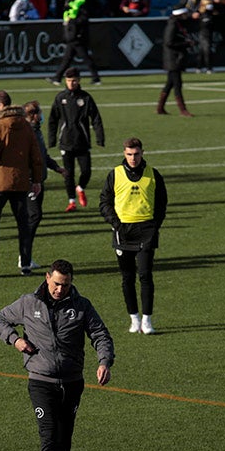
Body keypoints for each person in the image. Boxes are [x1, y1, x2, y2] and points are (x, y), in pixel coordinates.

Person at [0, 258, 114, 451]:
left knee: (64, 439)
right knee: (49, 436)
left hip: (72, 383)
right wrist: (15, 341)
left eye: (66, 285)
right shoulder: (28, 303)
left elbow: (101, 334)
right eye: (57, 284)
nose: (61, 289)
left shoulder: (81, 306)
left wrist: (104, 362)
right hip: (41, 382)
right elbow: (0, 319)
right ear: (47, 278)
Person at [99, 137, 168, 334]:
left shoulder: (153, 174)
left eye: (136, 154)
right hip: (123, 232)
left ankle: (147, 320)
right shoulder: (115, 174)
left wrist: (155, 225)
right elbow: (104, 202)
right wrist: (115, 223)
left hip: (146, 230)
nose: (133, 158)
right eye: (129, 154)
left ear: (142, 153)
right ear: (124, 154)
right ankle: (134, 318)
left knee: (145, 275)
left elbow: (162, 203)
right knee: (127, 277)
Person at [0, 90, 44, 277]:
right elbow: (35, 155)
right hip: (21, 180)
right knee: (23, 223)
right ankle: (25, 263)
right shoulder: (25, 125)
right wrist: (37, 179)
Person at [47, 68, 105, 213]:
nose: (71, 83)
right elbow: (52, 119)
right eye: (68, 80)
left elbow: (96, 118)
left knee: (86, 171)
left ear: (79, 80)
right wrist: (52, 139)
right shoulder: (60, 98)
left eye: (74, 80)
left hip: (82, 142)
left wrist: (100, 138)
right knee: (68, 173)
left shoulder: (86, 98)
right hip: (65, 143)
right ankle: (71, 201)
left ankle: (80, 188)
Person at [23, 100, 65, 271]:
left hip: (39, 181)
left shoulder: (36, 132)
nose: (41, 116)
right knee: (33, 217)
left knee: (34, 217)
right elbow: (28, 160)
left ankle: (26, 255)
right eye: (39, 113)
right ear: (33, 115)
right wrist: (33, 181)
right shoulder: (27, 134)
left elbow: (43, 156)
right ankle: (24, 256)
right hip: (31, 183)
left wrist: (57, 168)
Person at [47, 0, 101, 86]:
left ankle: (96, 78)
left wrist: (72, 21)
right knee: (68, 59)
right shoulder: (72, 2)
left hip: (77, 36)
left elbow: (84, 18)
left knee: (84, 58)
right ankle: (57, 78)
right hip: (72, 35)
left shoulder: (82, 3)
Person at [157, 7, 194, 117]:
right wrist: (186, 44)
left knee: (170, 84)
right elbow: (169, 42)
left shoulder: (177, 24)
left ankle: (160, 108)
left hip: (175, 58)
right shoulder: (173, 25)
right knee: (177, 84)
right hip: (173, 59)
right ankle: (183, 110)